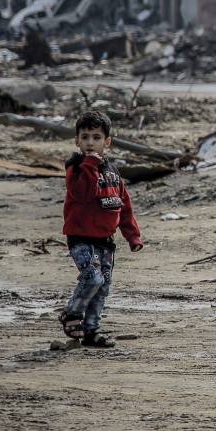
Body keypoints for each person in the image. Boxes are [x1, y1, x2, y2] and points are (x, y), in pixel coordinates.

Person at [58, 110, 143, 348]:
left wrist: (132, 236)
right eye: (84, 137)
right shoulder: (76, 168)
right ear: (77, 141)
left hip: (105, 240)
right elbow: (82, 194)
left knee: (102, 286)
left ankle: (91, 331)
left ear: (107, 142)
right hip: (81, 238)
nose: (90, 143)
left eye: (96, 137)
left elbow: (123, 206)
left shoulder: (113, 173)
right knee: (92, 278)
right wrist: (90, 165)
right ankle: (71, 314)